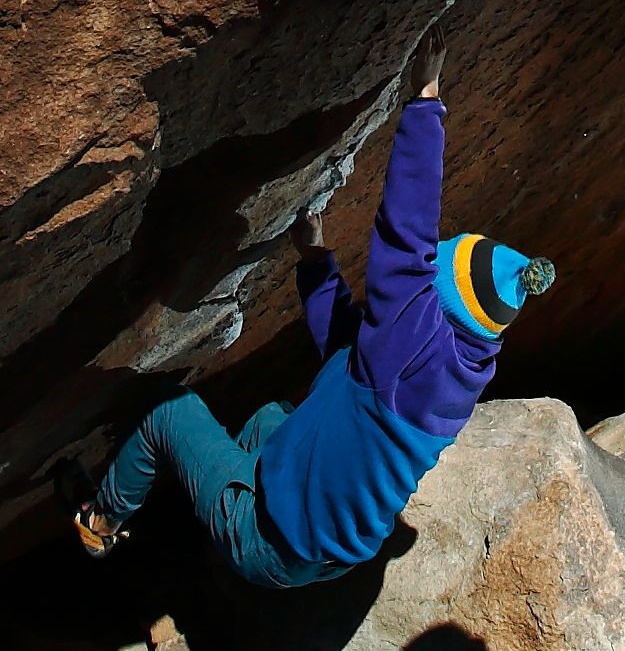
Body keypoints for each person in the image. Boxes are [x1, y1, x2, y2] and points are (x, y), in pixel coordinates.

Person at [74, 51, 552, 586]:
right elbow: (351, 354)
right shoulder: (462, 367)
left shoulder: (413, 341)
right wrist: (317, 262)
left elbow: (405, 232)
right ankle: (210, 501)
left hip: (267, 537)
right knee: (269, 419)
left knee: (167, 411)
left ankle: (101, 522)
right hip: (322, 555)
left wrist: (425, 100)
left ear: (438, 300)